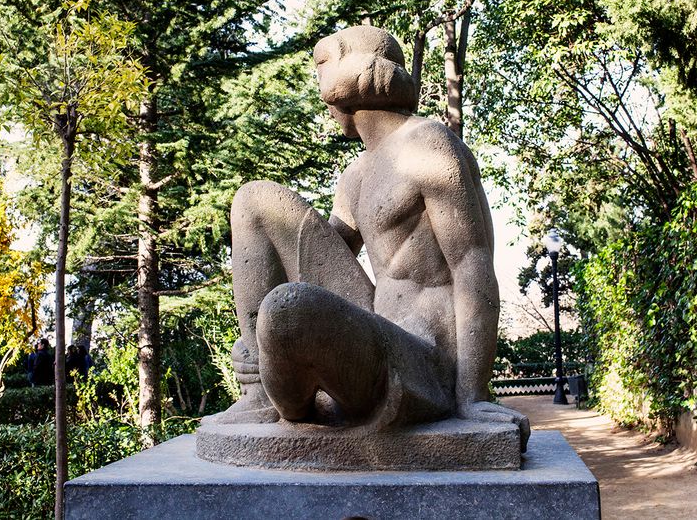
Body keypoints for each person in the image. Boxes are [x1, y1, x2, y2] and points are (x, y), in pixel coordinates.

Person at [210, 26, 529, 442]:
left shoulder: (429, 144)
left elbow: (472, 263)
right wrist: (256, 344)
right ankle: (258, 388)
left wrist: (472, 395)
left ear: (345, 82)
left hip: (422, 359)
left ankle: (280, 371)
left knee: (287, 309)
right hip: (376, 331)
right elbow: (323, 263)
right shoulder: (356, 176)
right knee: (255, 202)